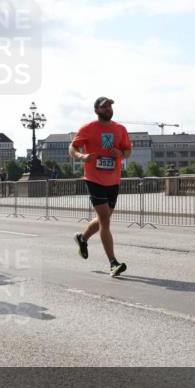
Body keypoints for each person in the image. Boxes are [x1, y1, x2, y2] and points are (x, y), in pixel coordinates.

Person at [69, 96, 133, 277]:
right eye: (105, 107)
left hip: (113, 180)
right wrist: (82, 157)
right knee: (105, 221)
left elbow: (128, 151)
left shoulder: (120, 129)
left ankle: (82, 238)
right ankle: (113, 263)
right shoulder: (88, 129)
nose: (108, 109)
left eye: (110, 106)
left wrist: (120, 153)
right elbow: (72, 147)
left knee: (103, 219)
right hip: (94, 179)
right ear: (97, 110)